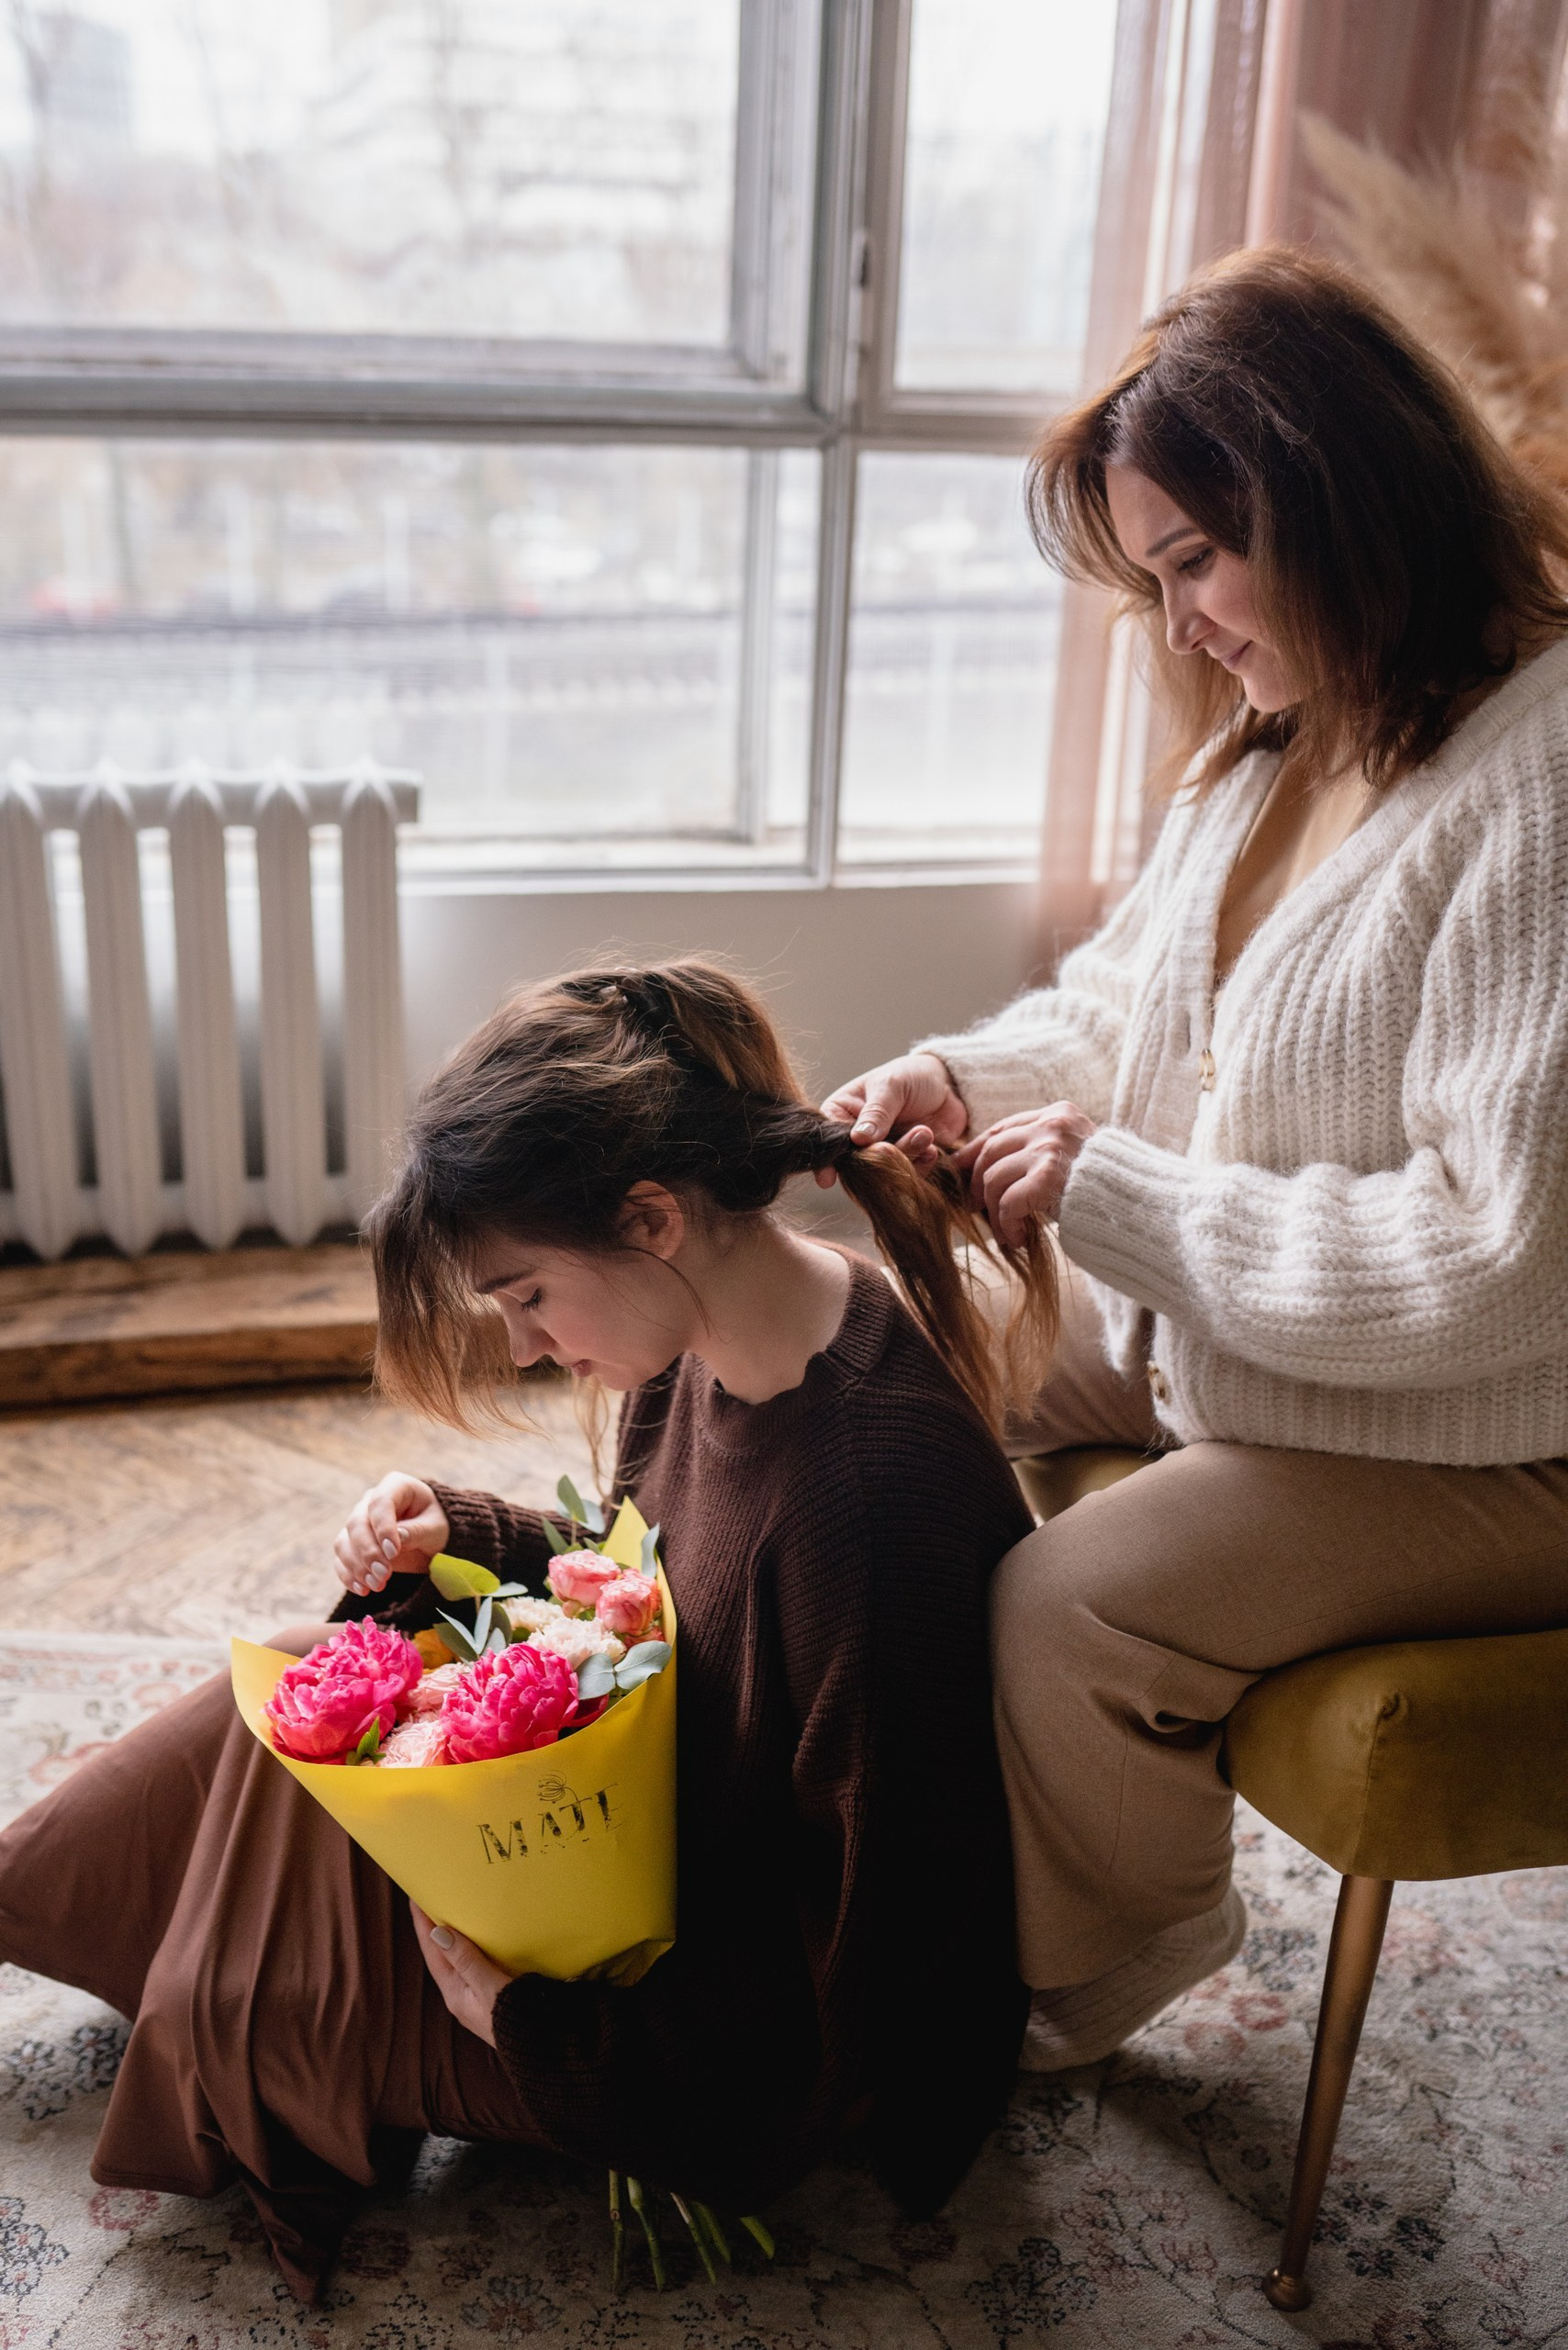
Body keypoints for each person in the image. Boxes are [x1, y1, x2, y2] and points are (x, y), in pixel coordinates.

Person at [0, 959, 1056, 2301]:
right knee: (293, 1692)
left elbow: (877, 1954)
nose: (524, 1348)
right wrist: (461, 1533)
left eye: (526, 1297)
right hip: (629, 1857)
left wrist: (531, 2026)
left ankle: (215, 2002)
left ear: (653, 1218)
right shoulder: (723, 1334)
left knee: (247, 1978)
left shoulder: (869, 1502)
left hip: (703, 2039)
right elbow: (659, 1591)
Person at [822, 247, 1568, 2071]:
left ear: (1333, 496)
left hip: (1495, 1428)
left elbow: (1503, 1258)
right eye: (1152, 579)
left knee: (1068, 1603)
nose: (1178, 624)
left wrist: (1129, 1203)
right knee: (853, 1365)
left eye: (1195, 562)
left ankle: (1108, 1941)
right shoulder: (1276, 739)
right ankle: (856, 1818)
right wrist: (958, 1077)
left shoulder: (1542, 781)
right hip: (1250, 1340)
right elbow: (1128, 1010)